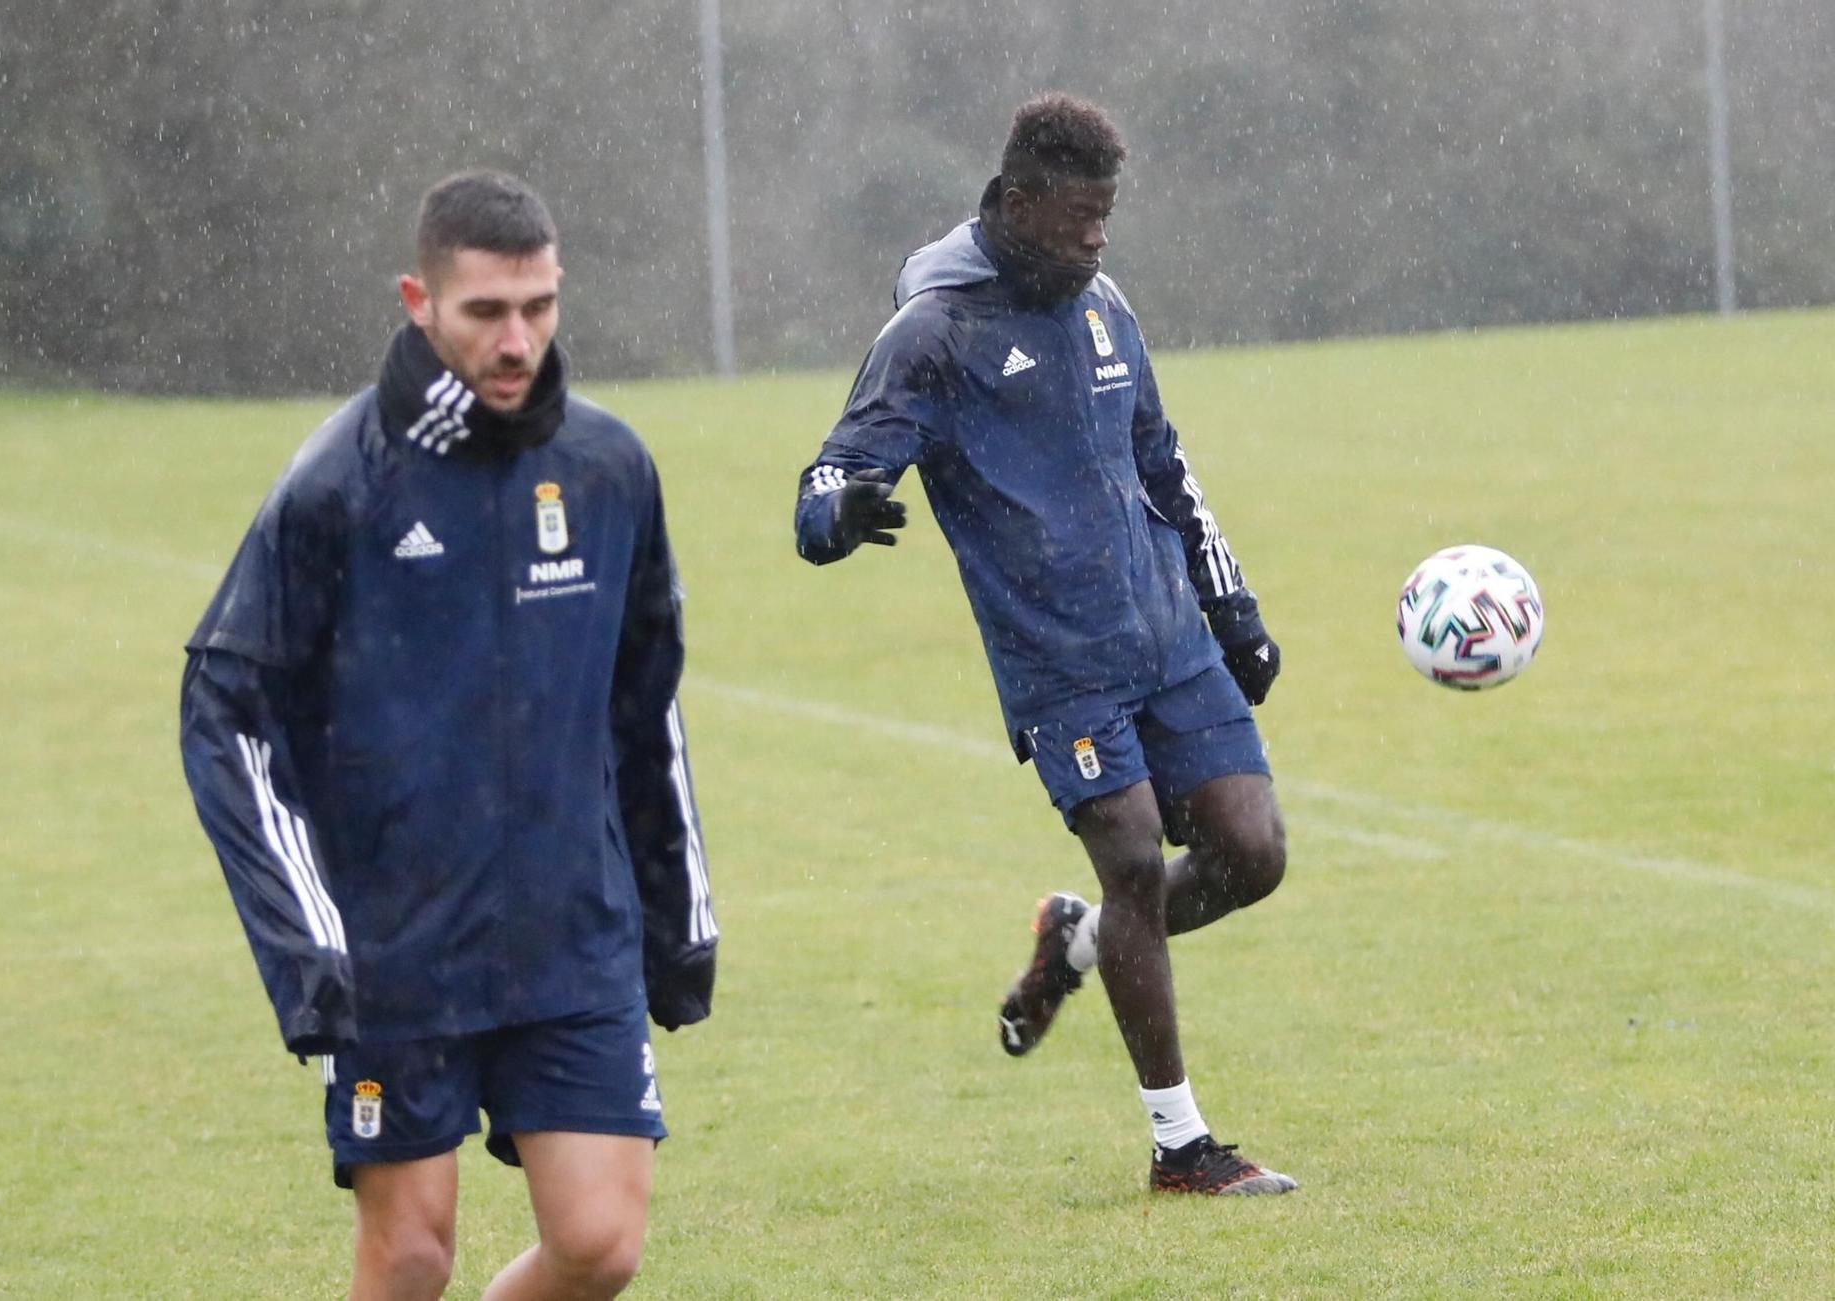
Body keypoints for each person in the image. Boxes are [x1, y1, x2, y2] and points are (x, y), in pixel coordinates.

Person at [180, 170, 718, 1299]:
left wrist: (676, 915)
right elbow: (225, 709)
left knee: (600, 1245)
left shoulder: (609, 469)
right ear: (418, 299)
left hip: (573, 931)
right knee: (411, 1255)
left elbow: (645, 701)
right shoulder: (340, 484)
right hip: (398, 950)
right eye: (486, 312)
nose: (516, 338)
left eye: (538, 306)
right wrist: (309, 943)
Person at [794, 95, 1294, 1196]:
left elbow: (1164, 463)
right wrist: (841, 514)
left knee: (1250, 853)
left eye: (1106, 214)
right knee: (1127, 856)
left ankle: (1073, 945)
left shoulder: (1106, 306)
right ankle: (1179, 1144)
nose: (1096, 238)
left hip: (1165, 632)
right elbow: (822, 479)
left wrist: (1231, 603)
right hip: (1055, 659)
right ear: (1017, 204)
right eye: (1077, 215)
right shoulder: (931, 334)